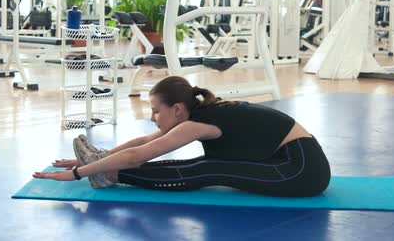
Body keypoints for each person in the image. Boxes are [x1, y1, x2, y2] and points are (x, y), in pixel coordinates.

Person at [34, 76, 331, 197]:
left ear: (177, 109)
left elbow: (141, 155)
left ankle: (111, 175)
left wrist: (78, 173)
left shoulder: (199, 122)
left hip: (301, 169)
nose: (152, 118)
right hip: (287, 159)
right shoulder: (198, 113)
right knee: (209, 166)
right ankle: (108, 169)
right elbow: (146, 143)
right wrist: (100, 157)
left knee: (210, 169)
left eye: (155, 111)